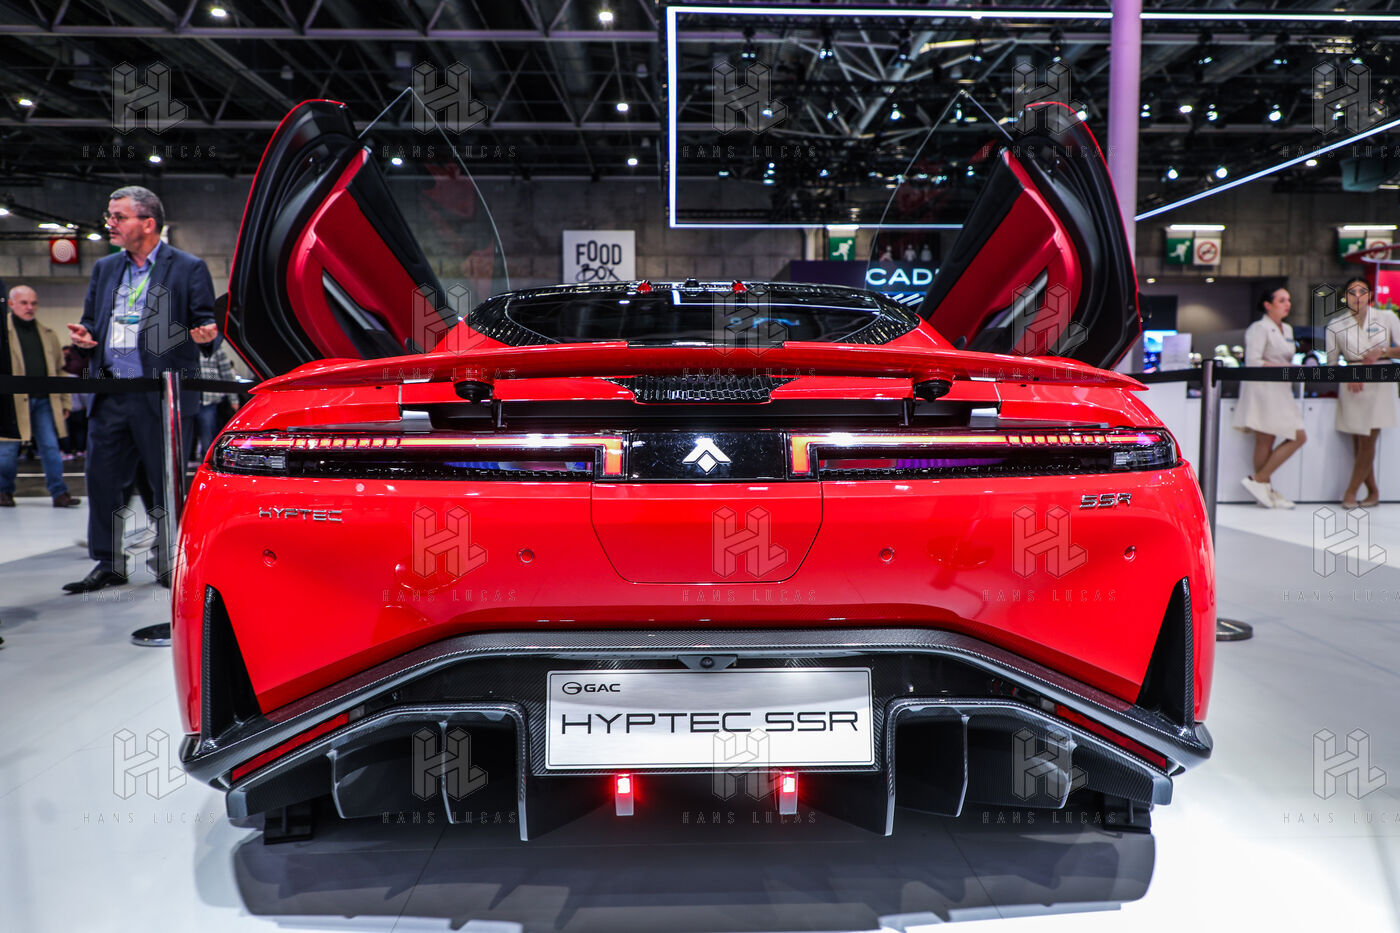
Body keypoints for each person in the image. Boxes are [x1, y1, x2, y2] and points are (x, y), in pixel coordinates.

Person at [62, 185, 218, 593]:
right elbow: (93, 320)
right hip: (111, 391)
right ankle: (108, 563)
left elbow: (205, 322)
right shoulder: (105, 269)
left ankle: (170, 561)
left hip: (162, 395)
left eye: (119, 216)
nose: (109, 223)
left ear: (148, 224)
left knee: (164, 482)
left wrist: (206, 335)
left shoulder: (187, 267)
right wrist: (86, 336)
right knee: (101, 479)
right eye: (109, 215)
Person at [1, 285, 81, 509]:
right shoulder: (3, 334)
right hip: (12, 403)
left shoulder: (48, 334)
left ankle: (59, 493)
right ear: (11, 304)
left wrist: (65, 401)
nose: (30, 307)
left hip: (45, 400)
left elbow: (60, 371)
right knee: (7, 451)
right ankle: (3, 491)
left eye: (33, 303)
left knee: (51, 447)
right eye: (24, 303)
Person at [1326, 276, 1400, 508]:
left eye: (1362, 292)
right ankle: (1373, 491)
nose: (1357, 297)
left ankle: (1350, 492)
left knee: (1368, 438)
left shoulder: (1386, 317)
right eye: (1352, 292)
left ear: (1370, 295)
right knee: (1358, 438)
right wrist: (1350, 373)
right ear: (1345, 297)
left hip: (1380, 379)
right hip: (1353, 383)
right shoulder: (1336, 325)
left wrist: (1383, 351)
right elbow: (1331, 364)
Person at [1235, 287, 1305, 509]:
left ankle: (1262, 484)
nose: (1287, 304)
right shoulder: (1259, 328)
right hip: (1263, 388)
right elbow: (1253, 361)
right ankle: (1262, 482)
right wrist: (1285, 367)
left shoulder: (1287, 329)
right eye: (1282, 300)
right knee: (1276, 437)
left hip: (1281, 388)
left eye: (1288, 300)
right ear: (1268, 304)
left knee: (1274, 438)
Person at [193, 342, 241, 463]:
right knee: (184, 441)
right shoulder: (183, 347)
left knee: (208, 443)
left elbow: (227, 374)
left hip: (208, 402)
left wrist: (233, 399)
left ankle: (207, 467)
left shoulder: (215, 347)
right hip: (186, 401)